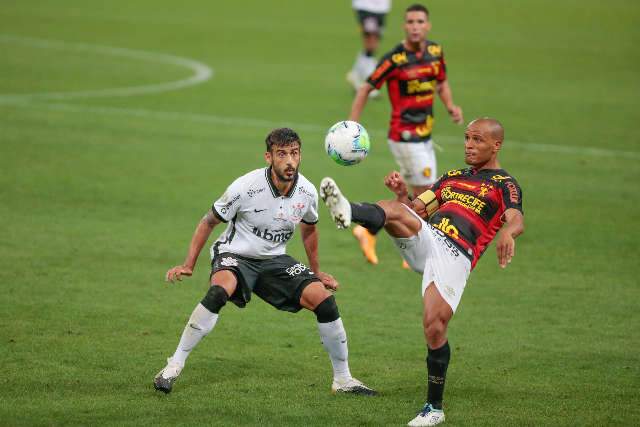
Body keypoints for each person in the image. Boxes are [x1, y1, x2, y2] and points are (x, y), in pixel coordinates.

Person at [319, 118, 524, 426]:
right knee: (395, 209)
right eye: (467, 138)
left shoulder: (504, 184)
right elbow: (416, 210)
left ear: (496, 145)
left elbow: (515, 217)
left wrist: (509, 233)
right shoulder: (452, 177)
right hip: (429, 237)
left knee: (434, 327)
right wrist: (403, 193)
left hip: (456, 254)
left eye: (477, 140)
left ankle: (434, 409)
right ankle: (348, 211)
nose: (469, 144)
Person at [153, 128, 376, 396]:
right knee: (218, 291)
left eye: (294, 153)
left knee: (324, 301)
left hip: (274, 260)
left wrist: (317, 272)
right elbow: (208, 221)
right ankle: (174, 364)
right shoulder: (245, 187)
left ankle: (343, 379)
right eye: (282, 154)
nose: (289, 161)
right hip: (235, 254)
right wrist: (189, 263)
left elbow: (310, 229)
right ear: (268, 157)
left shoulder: (306, 191)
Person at [348, 3, 464, 266]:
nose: (415, 27)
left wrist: (450, 106)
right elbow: (366, 88)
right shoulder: (395, 59)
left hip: (426, 137)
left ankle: (384, 234)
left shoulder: (435, 52)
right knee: (427, 196)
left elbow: (441, 82)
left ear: (427, 25)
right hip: (405, 137)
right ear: (404, 26)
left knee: (428, 196)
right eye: (410, 22)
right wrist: (352, 125)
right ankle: (378, 234)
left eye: (420, 22)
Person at [347, 0, 392, 96]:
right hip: (366, 6)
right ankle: (370, 83)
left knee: (374, 43)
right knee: (371, 42)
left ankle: (356, 73)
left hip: (382, 7)